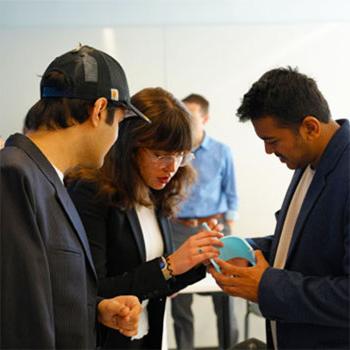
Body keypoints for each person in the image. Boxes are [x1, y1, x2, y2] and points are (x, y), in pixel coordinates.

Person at [0, 45, 143, 349]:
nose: (116, 136)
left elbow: (45, 290)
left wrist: (95, 309)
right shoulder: (14, 174)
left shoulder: (48, 177)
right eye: (118, 123)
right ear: (99, 110)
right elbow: (19, 318)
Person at [67, 87, 224, 350]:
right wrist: (170, 265)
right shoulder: (92, 191)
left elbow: (160, 283)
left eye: (179, 155)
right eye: (161, 155)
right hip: (108, 340)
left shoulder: (156, 193)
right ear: (130, 148)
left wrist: (199, 258)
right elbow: (91, 289)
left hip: (146, 336)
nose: (172, 167)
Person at [210, 67, 350, 349]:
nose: (268, 151)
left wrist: (266, 287)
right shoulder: (308, 161)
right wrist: (240, 249)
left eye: (272, 141)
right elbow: (297, 245)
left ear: (310, 127)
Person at [171, 94, 239, 350]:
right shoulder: (175, 149)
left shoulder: (222, 151)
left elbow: (231, 193)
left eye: (191, 115)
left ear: (205, 118)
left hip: (213, 227)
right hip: (176, 228)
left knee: (225, 296)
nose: (185, 120)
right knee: (180, 304)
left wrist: (229, 228)